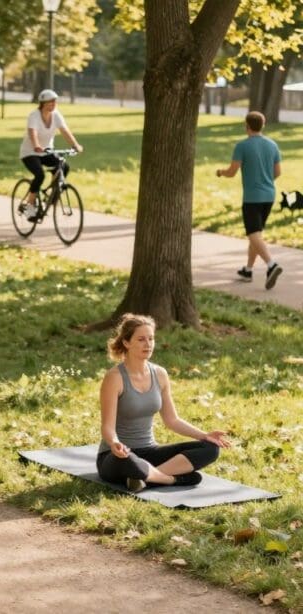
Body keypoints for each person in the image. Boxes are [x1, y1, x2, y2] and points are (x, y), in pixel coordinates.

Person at [97, 314, 231, 493]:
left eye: (151, 339)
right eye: (141, 339)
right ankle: (170, 479)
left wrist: (204, 435)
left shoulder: (160, 374)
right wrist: (114, 443)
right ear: (127, 343)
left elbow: (172, 420)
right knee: (129, 461)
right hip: (117, 456)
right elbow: (107, 427)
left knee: (210, 449)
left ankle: (145, 478)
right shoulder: (114, 378)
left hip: (150, 452)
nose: (148, 344)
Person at [216, 111, 283, 289]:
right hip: (269, 195)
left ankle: (271, 265)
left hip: (252, 197)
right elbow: (277, 172)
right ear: (263, 125)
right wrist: (265, 181)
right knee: (257, 234)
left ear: (247, 126)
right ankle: (248, 270)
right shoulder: (273, 145)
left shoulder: (242, 146)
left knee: (253, 233)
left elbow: (232, 172)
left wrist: (221, 172)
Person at [19, 89, 83, 221]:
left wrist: (75, 145)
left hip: (47, 151)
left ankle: (52, 194)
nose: (54, 104)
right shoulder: (34, 115)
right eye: (50, 102)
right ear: (43, 103)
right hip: (30, 153)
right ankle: (29, 206)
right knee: (40, 175)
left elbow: (65, 131)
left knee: (64, 167)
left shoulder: (56, 115)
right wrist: (36, 145)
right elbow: (33, 132)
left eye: (55, 101)